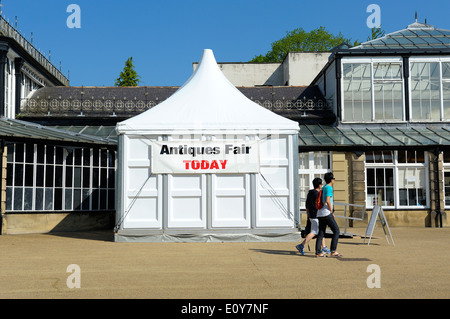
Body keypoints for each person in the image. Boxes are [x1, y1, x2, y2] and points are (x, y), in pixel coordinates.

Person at [296, 177, 330, 256]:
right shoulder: (317, 194)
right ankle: (301, 245)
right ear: (319, 185)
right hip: (316, 215)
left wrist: (308, 215)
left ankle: (324, 247)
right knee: (314, 232)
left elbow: (307, 205)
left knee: (320, 231)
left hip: (311, 215)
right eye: (321, 184)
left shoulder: (310, 193)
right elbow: (320, 204)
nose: (322, 185)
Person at [315, 172, 342, 258]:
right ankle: (333, 251)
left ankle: (318, 252)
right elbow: (328, 200)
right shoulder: (329, 188)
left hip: (320, 213)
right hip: (326, 213)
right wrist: (331, 211)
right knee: (336, 230)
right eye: (333, 178)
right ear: (331, 179)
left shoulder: (323, 187)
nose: (334, 180)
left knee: (321, 233)